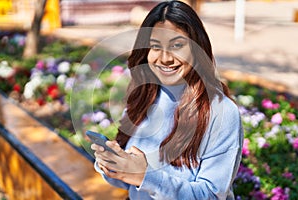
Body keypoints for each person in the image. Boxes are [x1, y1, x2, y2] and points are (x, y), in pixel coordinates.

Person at [91, 1, 243, 199]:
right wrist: (112, 164)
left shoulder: (221, 113)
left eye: (177, 45)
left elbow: (211, 195)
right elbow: (128, 183)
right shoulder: (143, 97)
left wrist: (144, 176)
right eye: (155, 46)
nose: (165, 58)